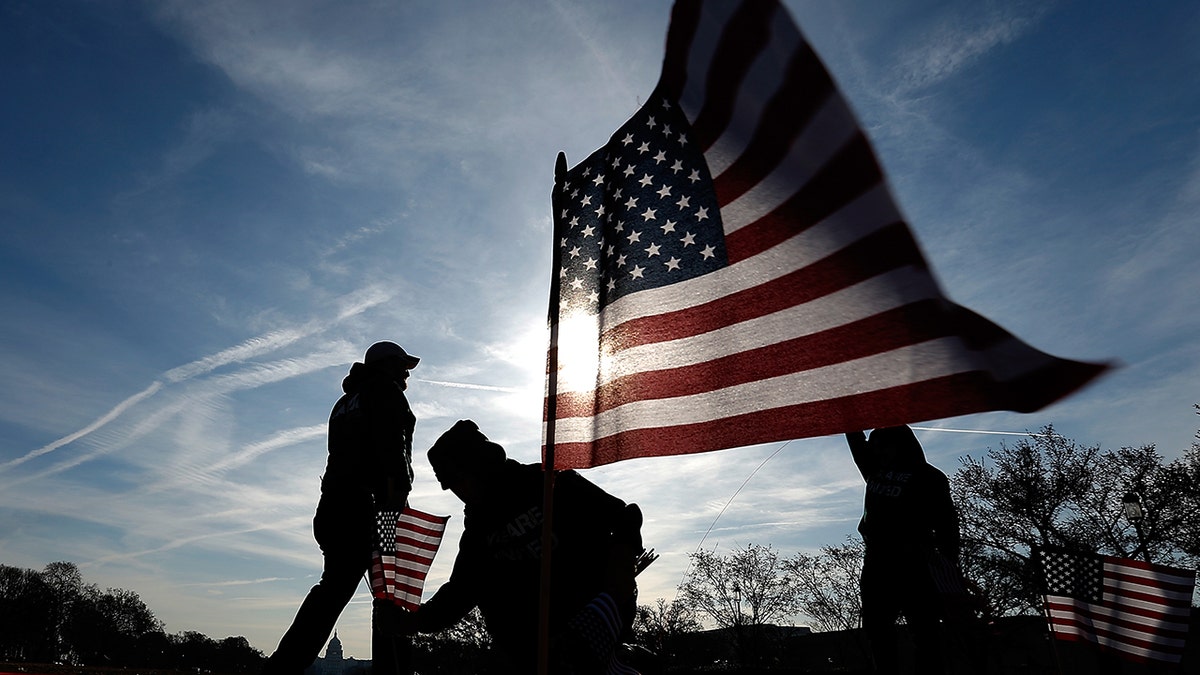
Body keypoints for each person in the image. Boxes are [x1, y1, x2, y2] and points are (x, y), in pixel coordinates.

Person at [378, 419, 648, 673]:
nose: (457, 492)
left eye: (458, 481)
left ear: (478, 466)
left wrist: (621, 560)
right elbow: (462, 591)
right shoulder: (478, 530)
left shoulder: (550, 485)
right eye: (450, 486)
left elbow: (625, 516)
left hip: (594, 630)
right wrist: (415, 621)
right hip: (532, 655)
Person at [262, 341, 420, 675]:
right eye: (402, 365)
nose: (407, 373)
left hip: (334, 506)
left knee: (331, 592)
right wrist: (396, 506)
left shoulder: (345, 402)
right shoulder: (385, 392)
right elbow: (393, 452)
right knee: (390, 594)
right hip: (373, 509)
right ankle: (392, 671)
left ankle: (282, 667)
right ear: (386, 366)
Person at [846, 425, 960, 675]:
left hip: (916, 566)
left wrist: (949, 565)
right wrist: (845, 410)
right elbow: (856, 442)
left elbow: (947, 523)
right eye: (874, 447)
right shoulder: (875, 469)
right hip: (876, 564)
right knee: (877, 632)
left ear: (899, 444)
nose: (876, 451)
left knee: (925, 632)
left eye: (882, 446)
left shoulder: (929, 477)